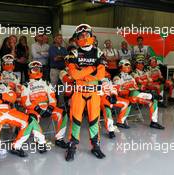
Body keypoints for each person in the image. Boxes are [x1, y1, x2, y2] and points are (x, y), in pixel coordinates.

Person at [65, 24, 106, 161]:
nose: (84, 37)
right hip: (78, 92)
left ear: (91, 35)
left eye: (86, 34)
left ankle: (96, 146)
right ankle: (72, 147)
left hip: (93, 92)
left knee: (94, 120)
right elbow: (73, 75)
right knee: (75, 120)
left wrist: (82, 73)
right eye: (81, 35)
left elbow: (100, 75)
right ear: (77, 38)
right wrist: (91, 68)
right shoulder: (74, 53)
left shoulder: (99, 52)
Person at [21, 61, 68, 149]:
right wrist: (38, 109)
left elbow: (52, 97)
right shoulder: (25, 85)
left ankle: (59, 139)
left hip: (47, 107)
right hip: (33, 109)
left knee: (63, 113)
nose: (36, 71)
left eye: (38, 69)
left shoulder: (46, 83)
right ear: (29, 71)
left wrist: (50, 108)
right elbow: (25, 102)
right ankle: (40, 142)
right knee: (32, 117)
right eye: (34, 69)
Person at [113, 59, 165, 129]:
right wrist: (128, 85)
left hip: (135, 96)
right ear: (120, 66)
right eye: (126, 65)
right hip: (124, 96)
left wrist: (130, 86)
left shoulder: (130, 76)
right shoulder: (116, 77)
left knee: (153, 101)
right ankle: (150, 95)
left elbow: (136, 87)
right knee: (135, 93)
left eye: (129, 65)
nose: (128, 66)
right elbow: (119, 89)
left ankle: (154, 122)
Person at [100, 70, 130, 138]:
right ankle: (111, 130)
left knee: (126, 102)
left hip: (111, 98)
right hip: (101, 98)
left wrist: (113, 95)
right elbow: (96, 91)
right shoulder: (95, 79)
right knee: (107, 109)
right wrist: (107, 97)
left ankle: (120, 122)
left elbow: (113, 88)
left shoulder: (109, 80)